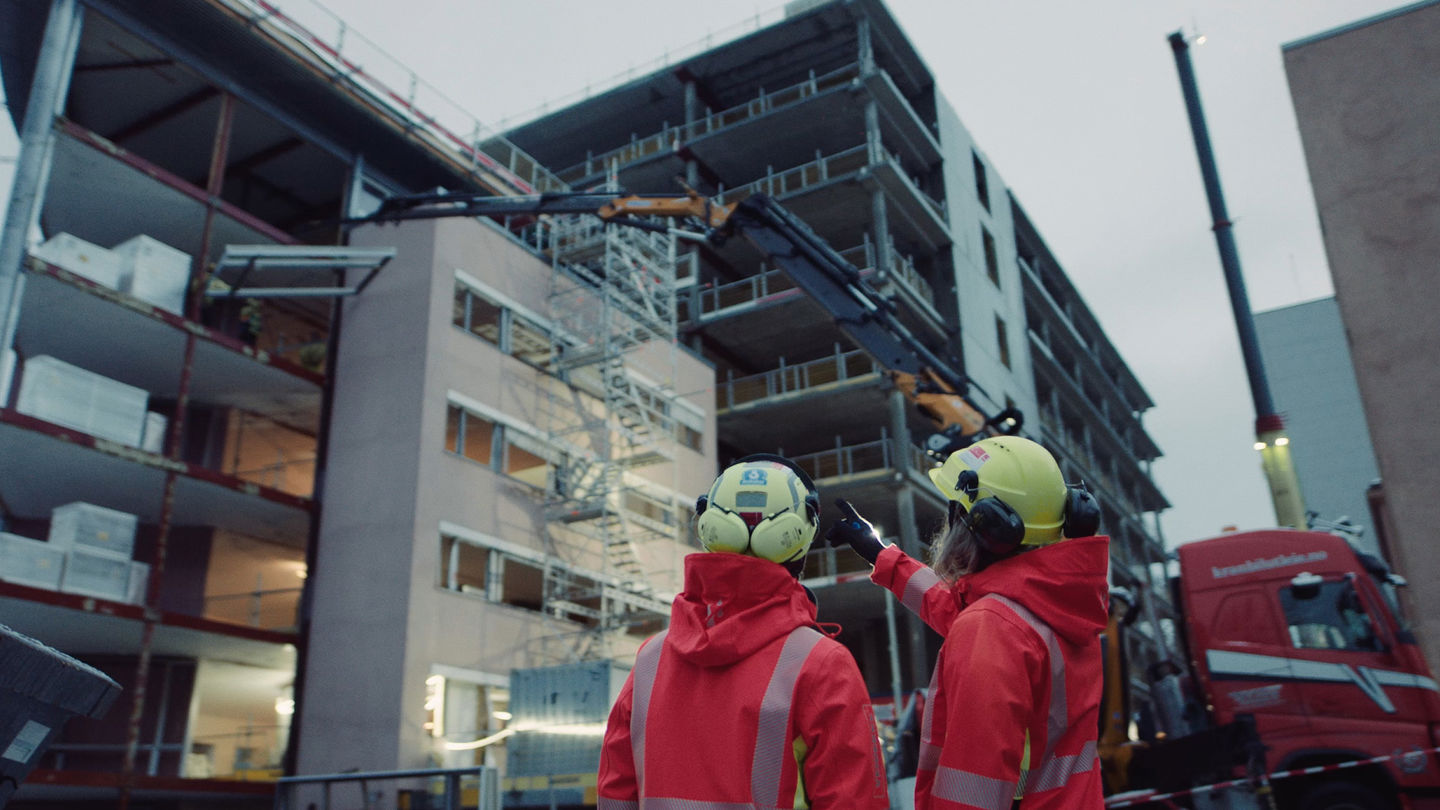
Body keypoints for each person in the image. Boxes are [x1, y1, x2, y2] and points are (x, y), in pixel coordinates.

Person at [827, 435, 1108, 810]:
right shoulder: (1057, 605)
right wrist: (883, 557)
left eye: (954, 513)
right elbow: (959, 610)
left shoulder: (992, 627)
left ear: (980, 523)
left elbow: (971, 793)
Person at [597, 454, 890, 810]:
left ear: (709, 525)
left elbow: (615, 793)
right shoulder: (821, 664)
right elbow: (854, 800)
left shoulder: (650, 659)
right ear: (798, 535)